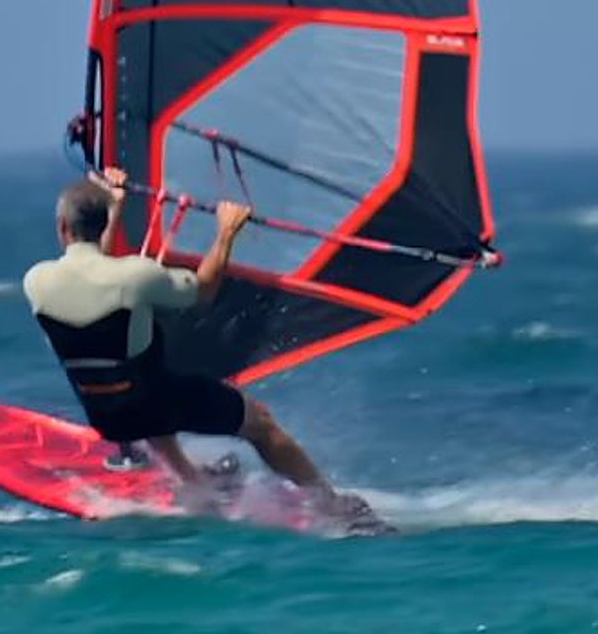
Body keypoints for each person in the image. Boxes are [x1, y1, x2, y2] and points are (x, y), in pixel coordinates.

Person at [22, 167, 369, 516]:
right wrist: (226, 232)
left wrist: (114, 208)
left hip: (108, 419)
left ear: (63, 228)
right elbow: (203, 291)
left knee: (140, 370)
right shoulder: (136, 276)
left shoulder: (36, 282)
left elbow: (97, 274)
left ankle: (191, 478)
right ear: (100, 223)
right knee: (259, 424)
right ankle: (331, 504)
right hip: (153, 407)